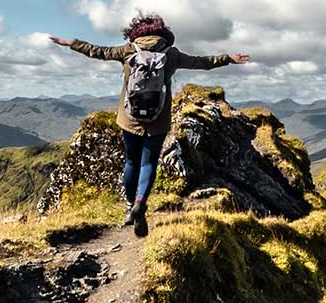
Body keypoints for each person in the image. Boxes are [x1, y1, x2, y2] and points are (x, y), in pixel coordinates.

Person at [49, 14, 250, 236]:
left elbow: (98, 51)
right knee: (149, 163)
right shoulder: (171, 54)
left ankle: (129, 205)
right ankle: (140, 202)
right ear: (162, 32)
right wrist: (228, 58)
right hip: (158, 119)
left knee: (131, 161)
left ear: (137, 31)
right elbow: (201, 62)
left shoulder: (128, 50)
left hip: (129, 117)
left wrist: (71, 43)